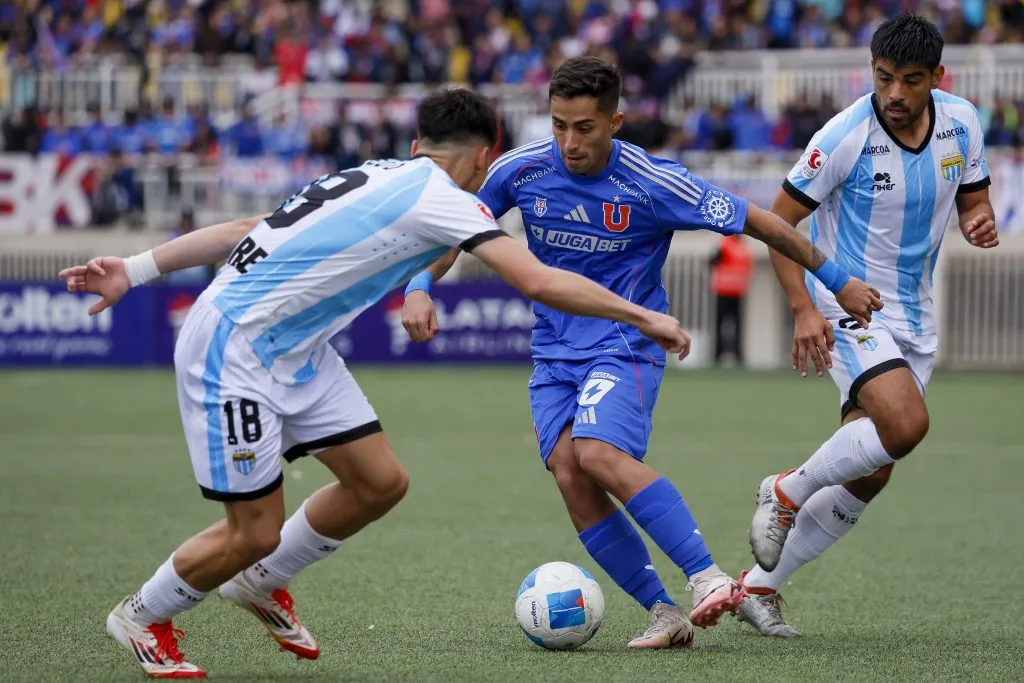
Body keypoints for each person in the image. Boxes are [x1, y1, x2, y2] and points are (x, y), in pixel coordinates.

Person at [58, 88, 691, 679]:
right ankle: (141, 614)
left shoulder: (373, 173)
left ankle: (259, 581)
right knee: (253, 529)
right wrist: (644, 315)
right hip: (235, 348)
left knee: (378, 482)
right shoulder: (445, 198)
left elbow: (250, 227)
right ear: (483, 158)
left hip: (297, 349)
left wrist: (137, 268)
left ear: (418, 146)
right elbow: (537, 280)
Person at [400, 57, 882, 649]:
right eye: (558, 126)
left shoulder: (654, 182)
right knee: (570, 475)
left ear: (615, 122)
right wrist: (421, 285)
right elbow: (459, 230)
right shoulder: (519, 171)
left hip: (625, 340)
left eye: (584, 127)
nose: (569, 142)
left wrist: (834, 281)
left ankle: (706, 577)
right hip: (553, 352)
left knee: (597, 453)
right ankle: (665, 612)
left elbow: (765, 224)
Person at [741, 14, 999, 637]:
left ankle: (759, 588)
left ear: (937, 77)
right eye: (885, 79)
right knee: (905, 424)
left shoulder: (962, 122)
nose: (896, 95)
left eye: (911, 81)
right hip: (848, 303)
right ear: (872, 72)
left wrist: (981, 219)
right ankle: (785, 490)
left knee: (873, 468)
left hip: (915, 313)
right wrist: (805, 308)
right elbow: (776, 225)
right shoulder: (844, 136)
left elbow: (974, 198)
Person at [708, 234, 753, 367]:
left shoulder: (740, 247)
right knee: (722, 324)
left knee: (736, 325)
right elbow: (713, 260)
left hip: (736, 292)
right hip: (724, 291)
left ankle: (737, 355)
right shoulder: (727, 244)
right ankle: (718, 355)